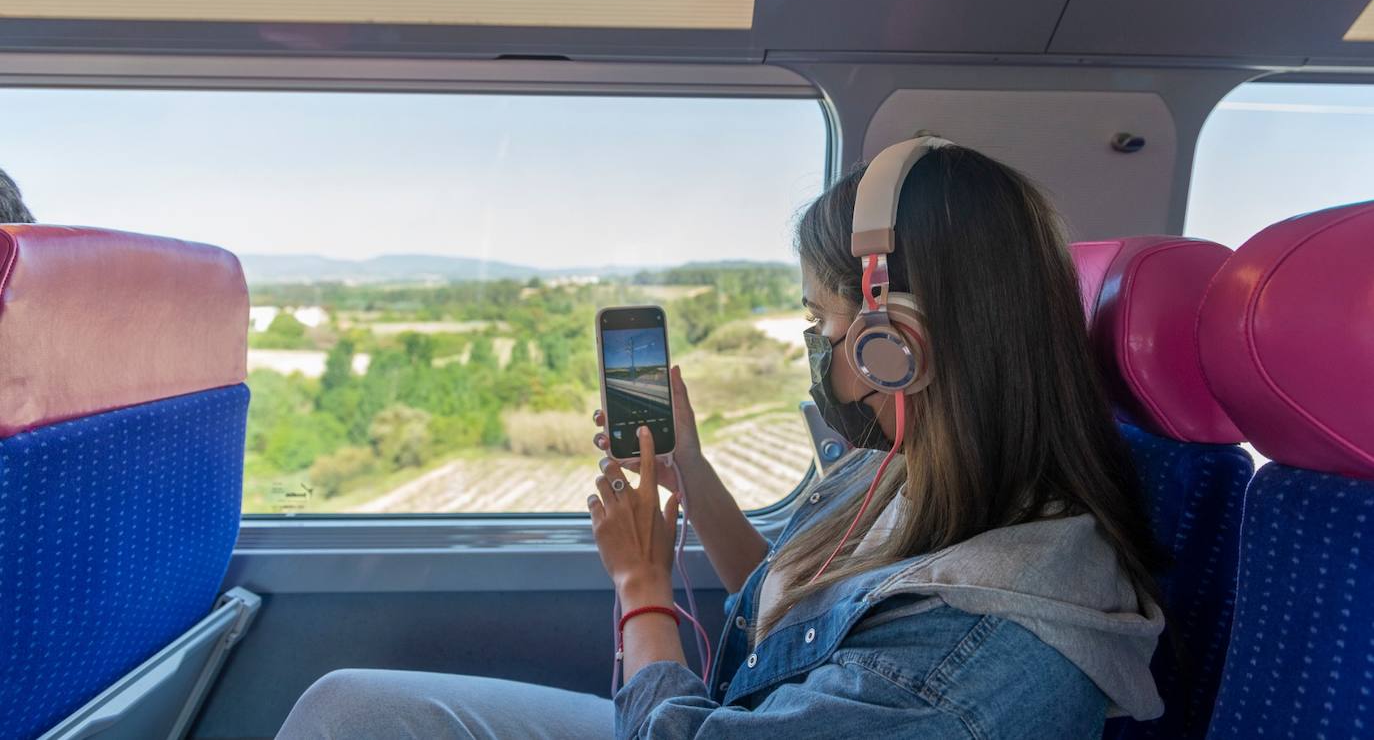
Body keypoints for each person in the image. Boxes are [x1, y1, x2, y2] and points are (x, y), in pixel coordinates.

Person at [274, 139, 1165, 740]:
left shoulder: (973, 658)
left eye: (825, 322)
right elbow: (792, 607)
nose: (817, 353)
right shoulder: (913, 474)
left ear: (902, 344)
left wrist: (643, 589)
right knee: (345, 706)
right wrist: (691, 470)